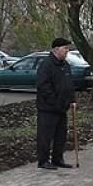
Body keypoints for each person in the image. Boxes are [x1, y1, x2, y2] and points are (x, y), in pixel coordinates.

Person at [35, 37, 77, 170]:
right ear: (56, 49)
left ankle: (58, 158)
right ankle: (43, 160)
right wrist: (56, 102)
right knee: (45, 135)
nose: (67, 51)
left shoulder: (65, 65)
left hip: (62, 107)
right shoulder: (46, 65)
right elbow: (43, 87)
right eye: (65, 48)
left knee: (61, 135)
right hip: (48, 108)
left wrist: (72, 100)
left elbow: (69, 84)